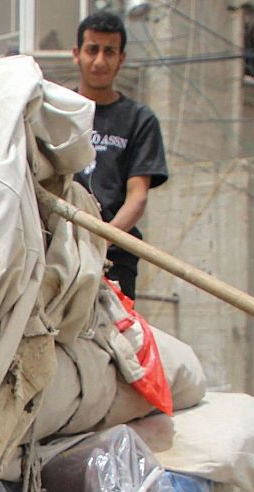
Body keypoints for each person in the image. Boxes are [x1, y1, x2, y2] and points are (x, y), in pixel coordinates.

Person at [71, 11, 168, 300]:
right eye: (92, 50)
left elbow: (137, 197)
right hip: (60, 250)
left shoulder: (139, 120)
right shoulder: (58, 111)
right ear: (77, 54)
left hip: (114, 256)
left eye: (109, 51)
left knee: (117, 339)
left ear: (121, 59)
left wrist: (102, 238)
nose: (100, 60)